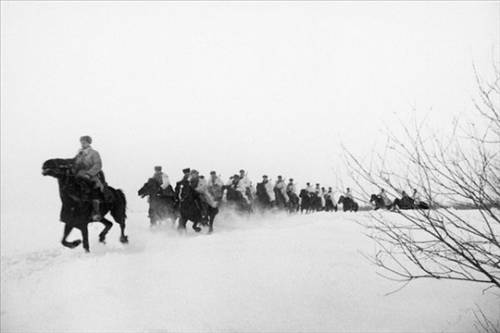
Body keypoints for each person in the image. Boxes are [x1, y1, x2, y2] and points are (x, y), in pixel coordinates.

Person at [73, 135, 104, 221]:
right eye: (81, 142)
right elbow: (74, 164)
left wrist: (89, 174)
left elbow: (98, 165)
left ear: (88, 143)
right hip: (79, 176)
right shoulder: (79, 154)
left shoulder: (94, 153)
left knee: (93, 189)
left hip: (91, 176)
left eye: (84, 142)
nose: (82, 144)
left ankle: (96, 212)